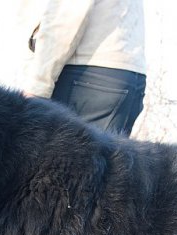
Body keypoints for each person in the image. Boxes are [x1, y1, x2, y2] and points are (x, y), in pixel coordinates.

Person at [20, 0, 147, 137]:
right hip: (128, 73)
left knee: (64, 156)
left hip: (88, 74)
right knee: (107, 156)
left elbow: (66, 16)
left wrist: (37, 87)